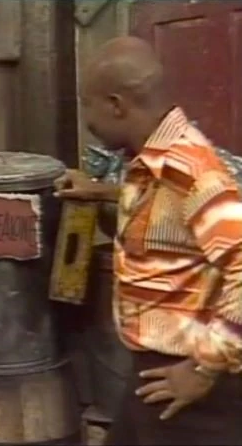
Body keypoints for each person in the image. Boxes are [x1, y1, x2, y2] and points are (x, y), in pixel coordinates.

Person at [55, 37, 242, 445]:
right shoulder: (154, 165)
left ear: (116, 105)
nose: (87, 119)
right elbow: (172, 216)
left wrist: (202, 370)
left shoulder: (191, 171)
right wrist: (100, 192)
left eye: (87, 104)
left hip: (192, 384)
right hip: (154, 369)